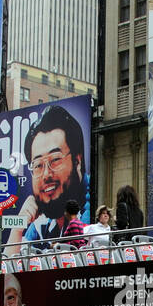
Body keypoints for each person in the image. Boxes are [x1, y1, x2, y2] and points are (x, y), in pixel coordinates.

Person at [15, 105, 89, 248]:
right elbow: (10, 263)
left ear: (77, 161)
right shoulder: (44, 218)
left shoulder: (87, 210)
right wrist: (17, 229)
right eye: (38, 165)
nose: (46, 175)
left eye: (55, 160)